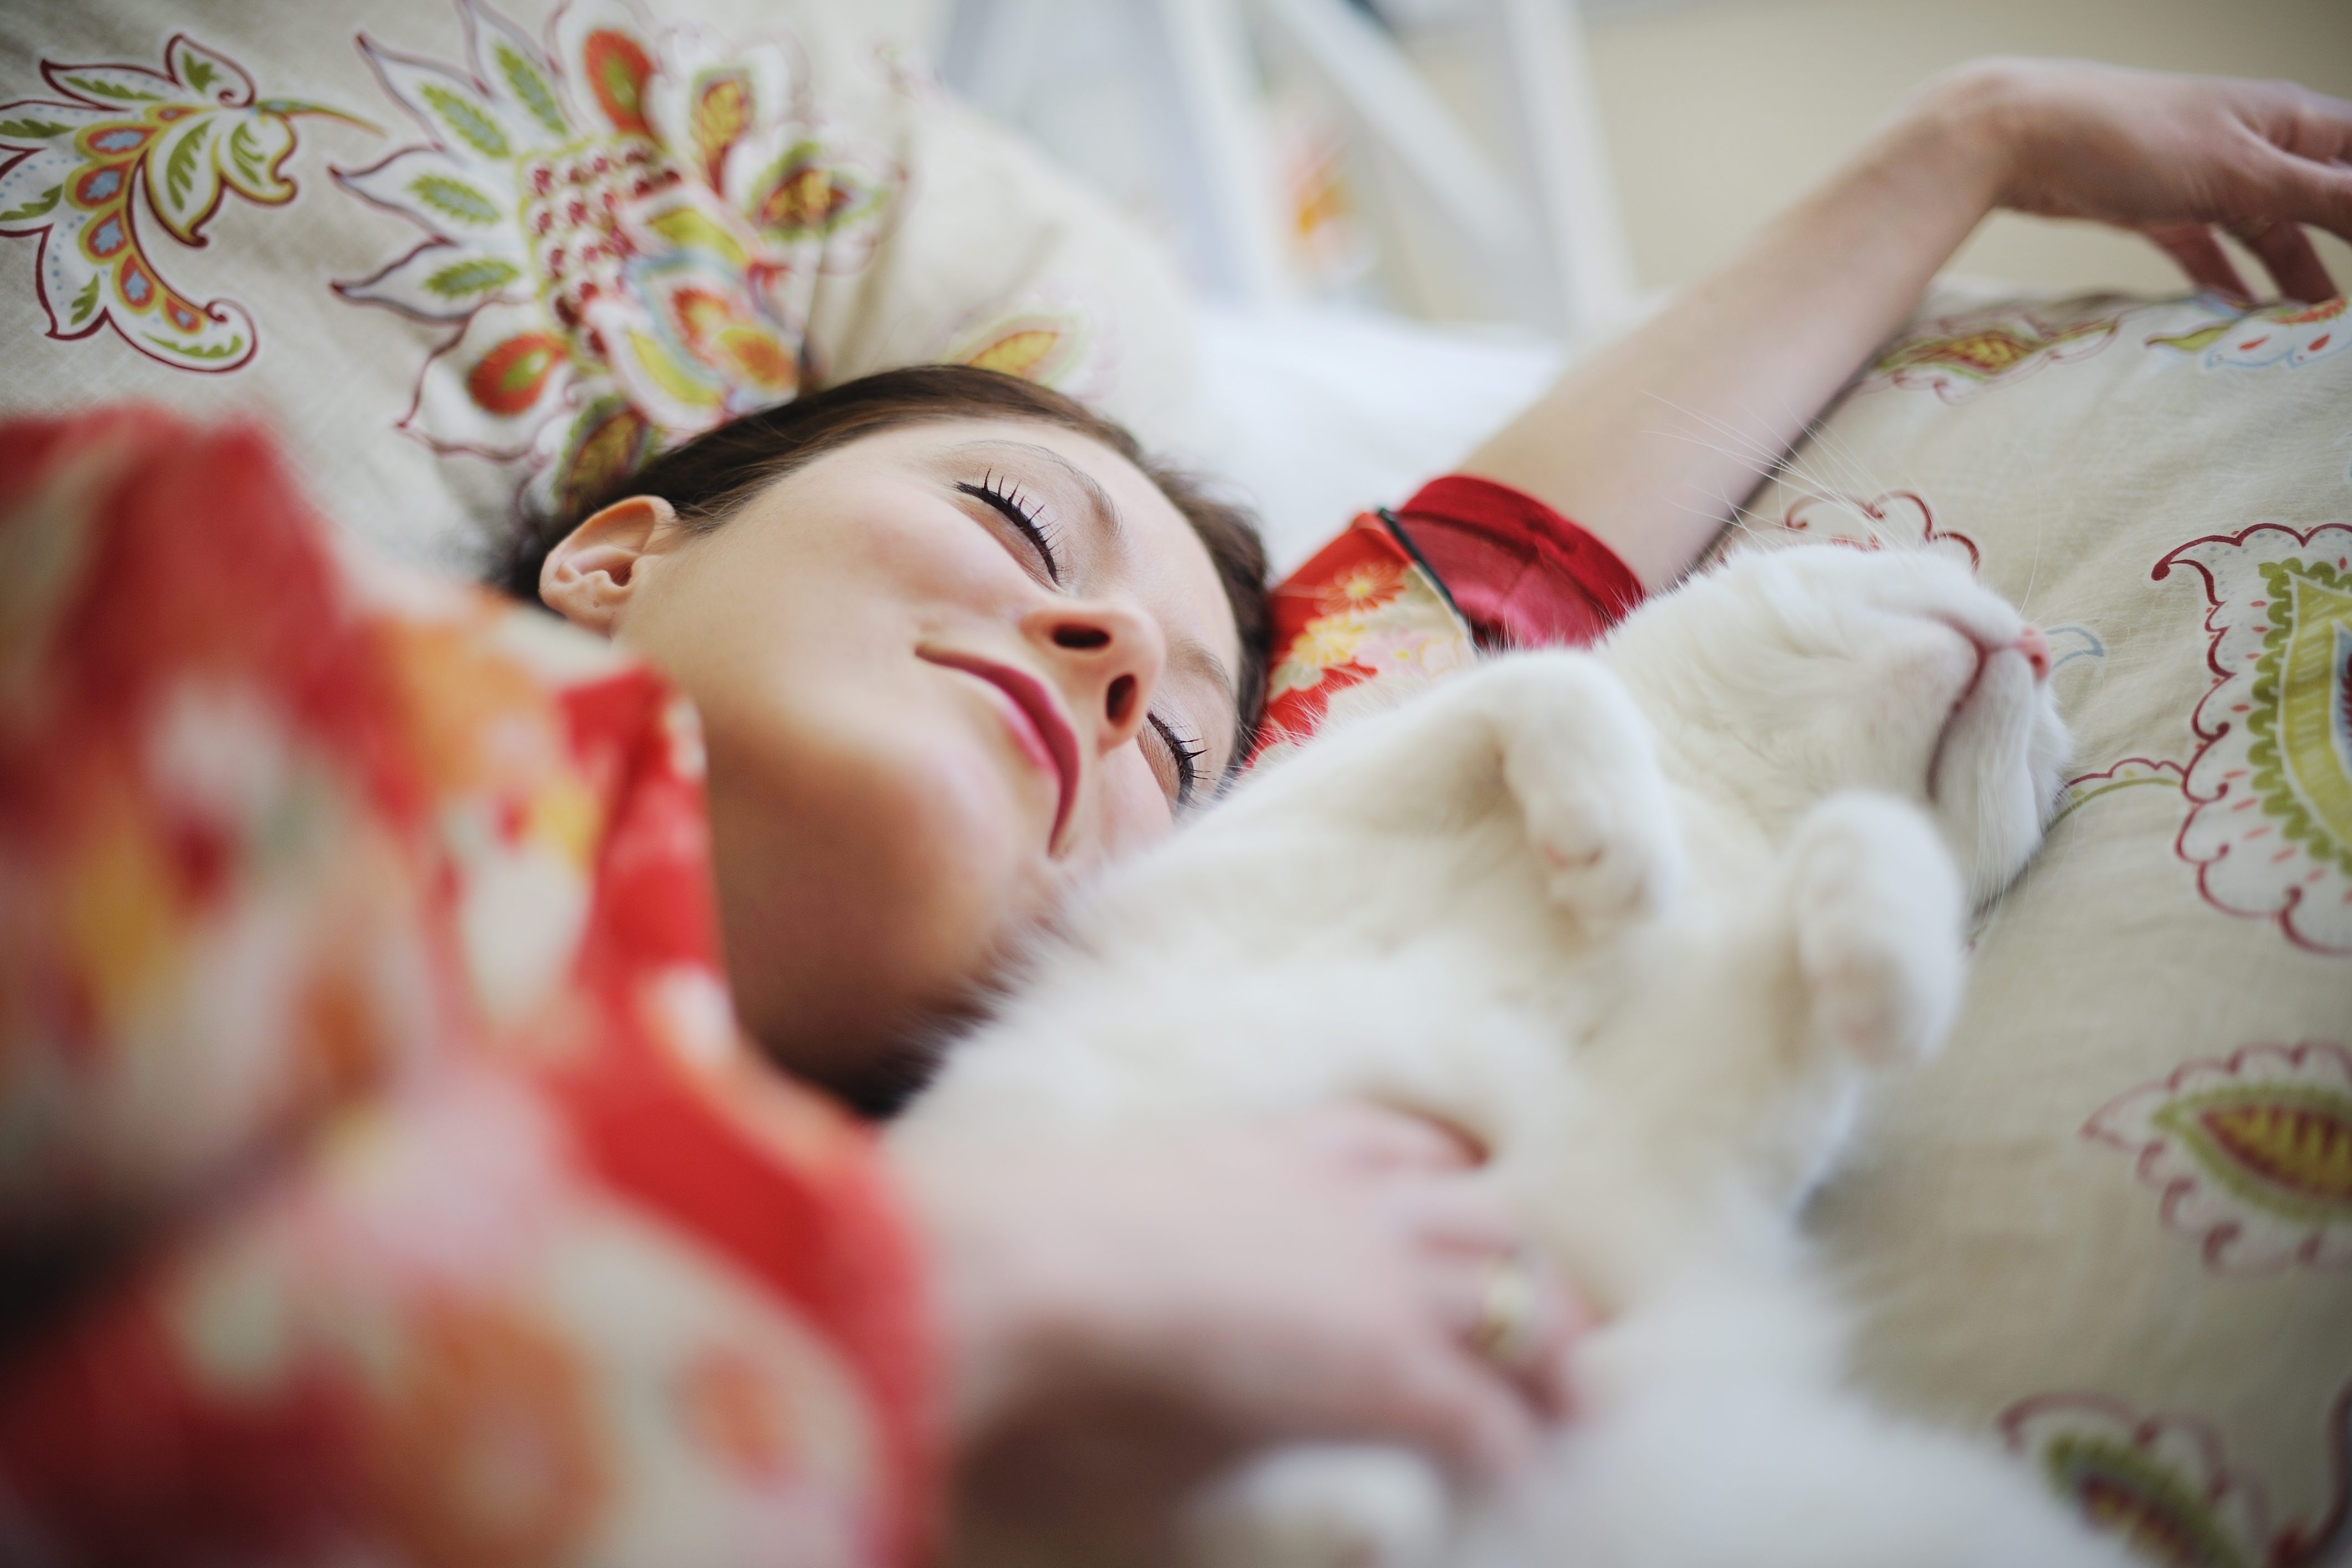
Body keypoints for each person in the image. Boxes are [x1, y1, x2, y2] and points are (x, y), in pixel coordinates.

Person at [0, 55, 2346, 1568]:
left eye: (1180, 742)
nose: (1120, 662)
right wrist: (956, 1306)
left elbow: (1474, 596)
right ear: (627, 547)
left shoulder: (1044, 1101)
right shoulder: (200, 646)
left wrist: (1974, 145)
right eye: (1024, 538)